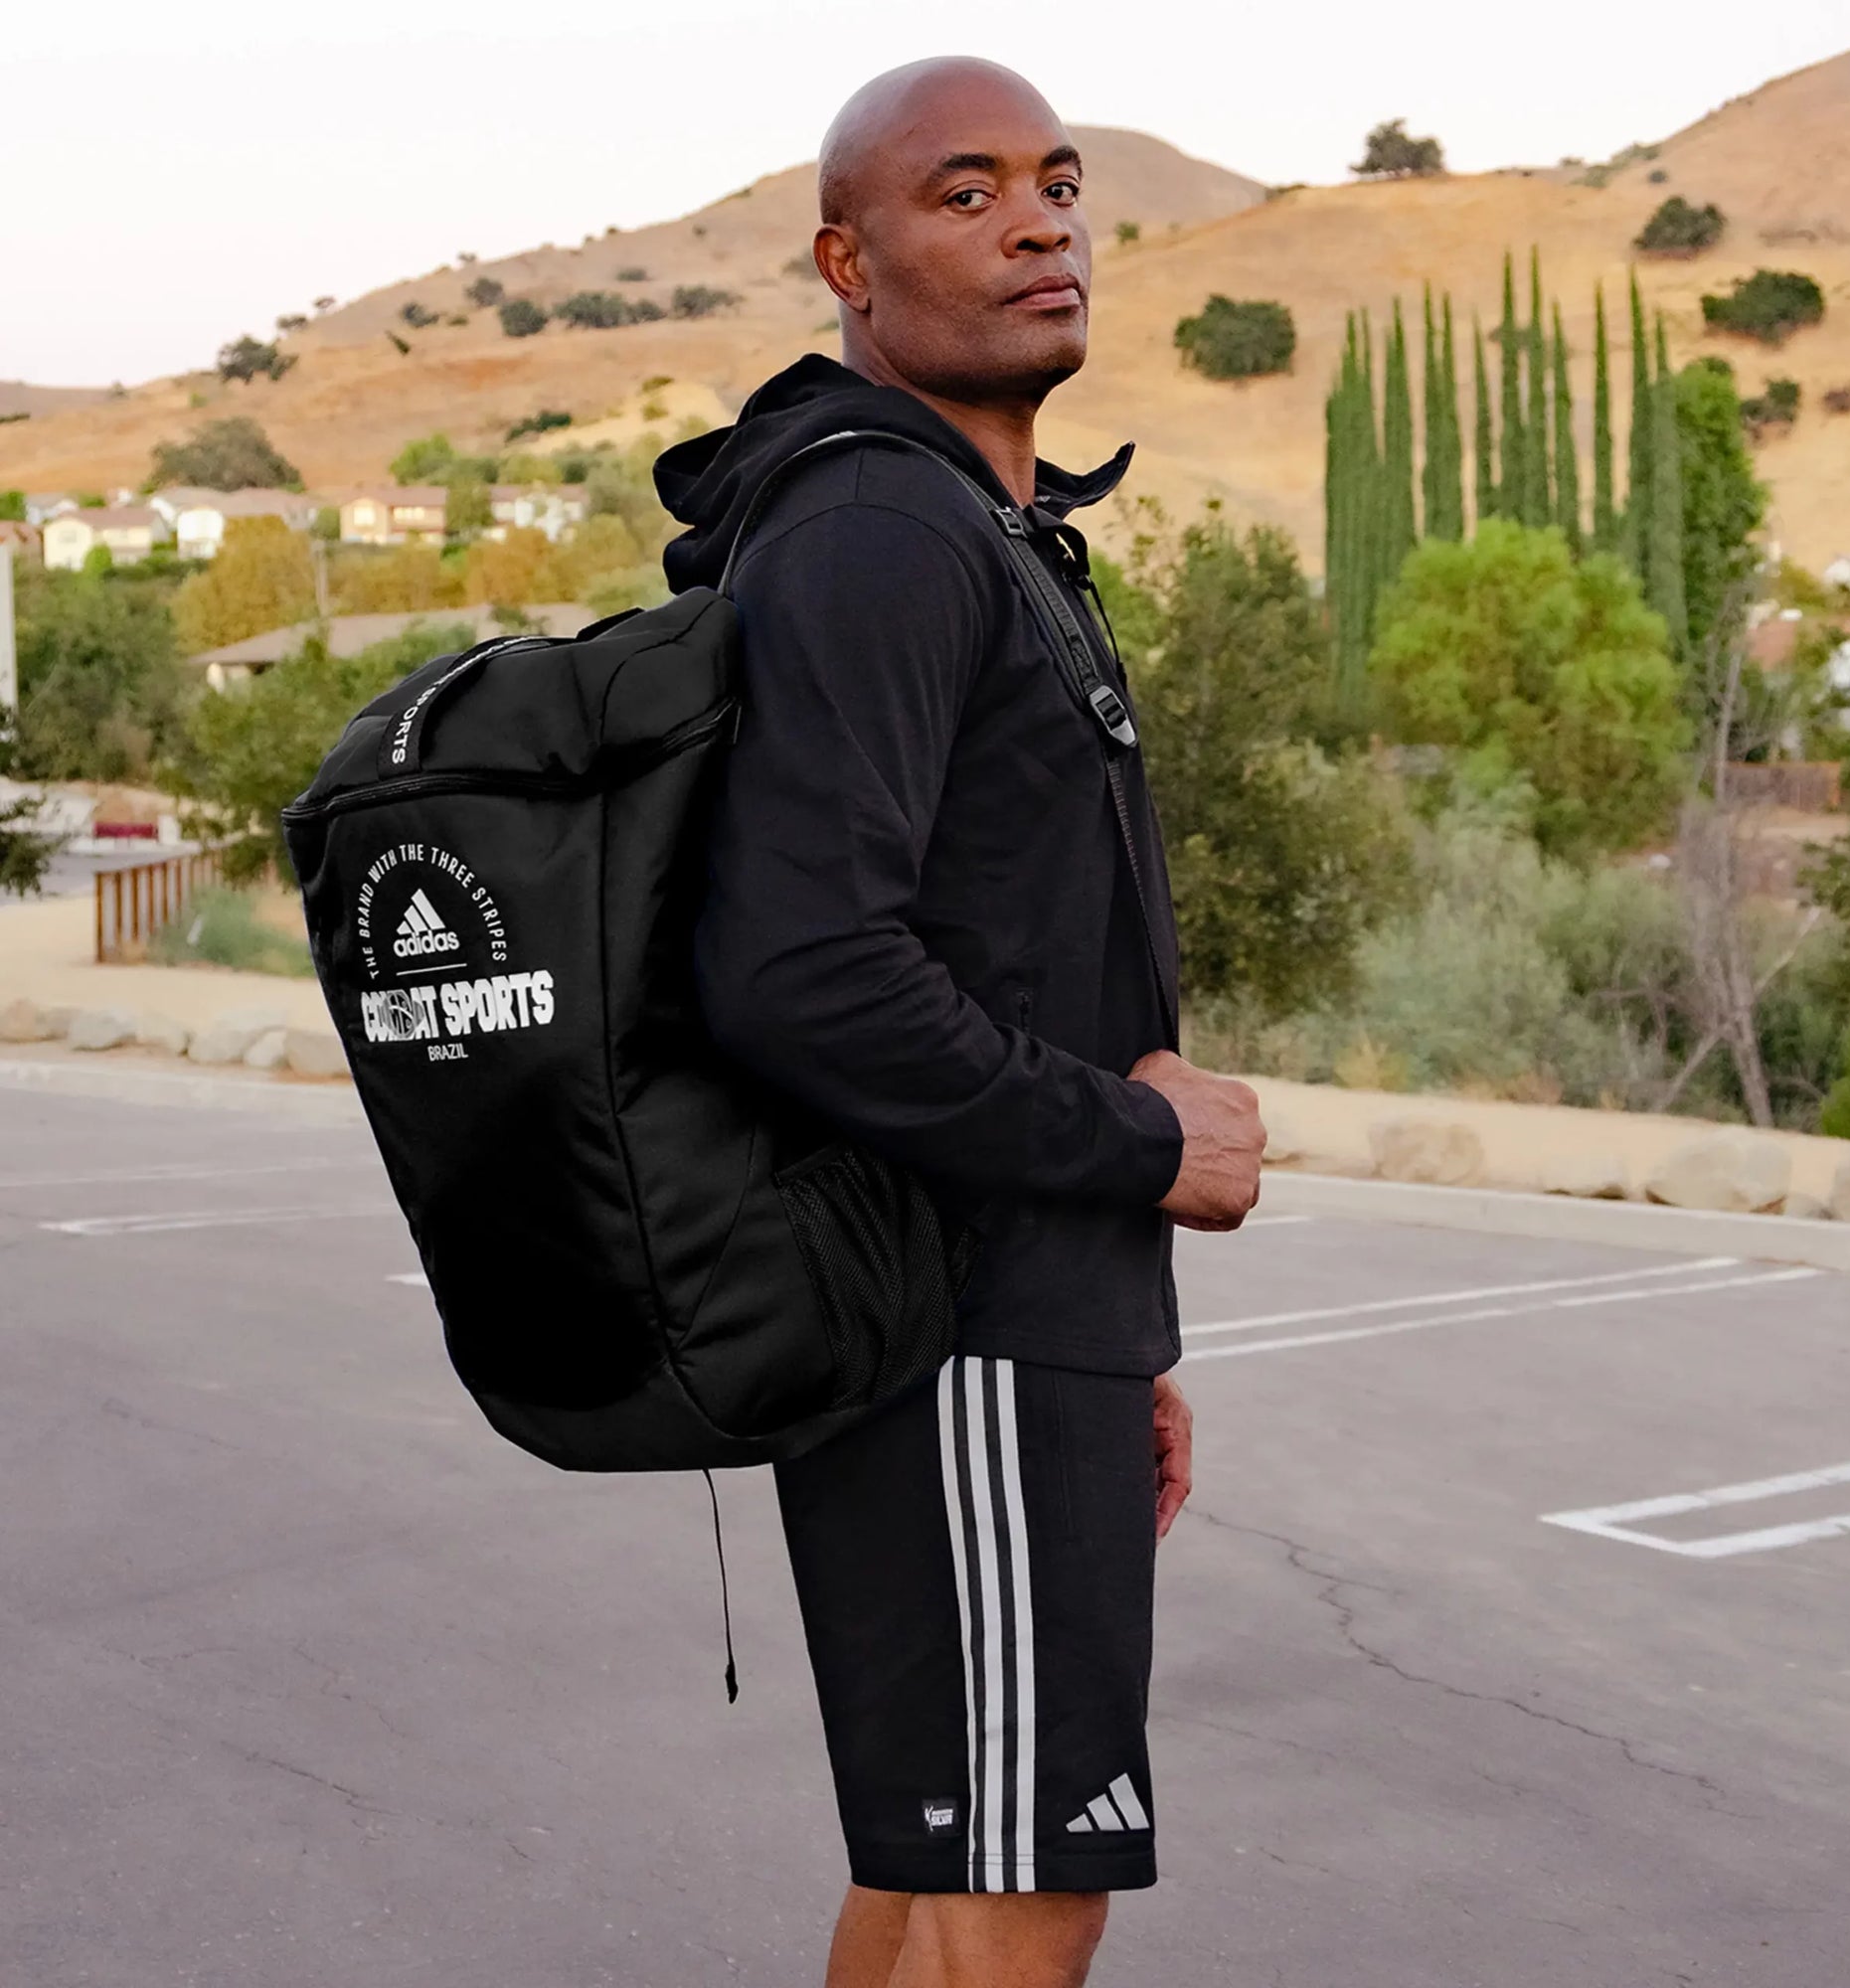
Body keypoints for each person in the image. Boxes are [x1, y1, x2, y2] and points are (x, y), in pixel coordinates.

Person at [652, 56, 1265, 1988]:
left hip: (1007, 1323)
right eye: (967, 190)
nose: (1038, 223)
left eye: (1061, 186)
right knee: (1022, 1875)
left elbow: (988, 951)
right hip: (959, 1322)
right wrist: (1146, 1151)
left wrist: (1111, 1325)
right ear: (846, 257)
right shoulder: (879, 538)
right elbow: (805, 975)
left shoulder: (957, 530)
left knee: (948, 1853)